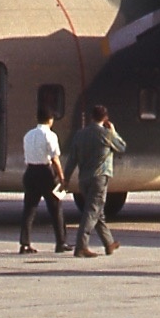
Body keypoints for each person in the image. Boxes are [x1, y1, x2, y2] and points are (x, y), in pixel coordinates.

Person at [62, 105, 126, 258]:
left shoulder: (80, 135)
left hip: (84, 179)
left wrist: (66, 178)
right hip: (99, 177)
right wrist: (113, 131)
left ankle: (108, 243)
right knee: (92, 212)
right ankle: (81, 246)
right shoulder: (106, 134)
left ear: (91, 117)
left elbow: (72, 159)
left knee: (98, 212)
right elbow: (121, 147)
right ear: (105, 118)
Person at [20, 107, 70, 254]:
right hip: (46, 172)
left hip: (30, 172)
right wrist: (61, 176)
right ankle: (61, 242)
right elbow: (55, 158)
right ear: (51, 119)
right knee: (55, 209)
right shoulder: (50, 135)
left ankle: (25, 243)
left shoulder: (28, 135)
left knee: (29, 209)